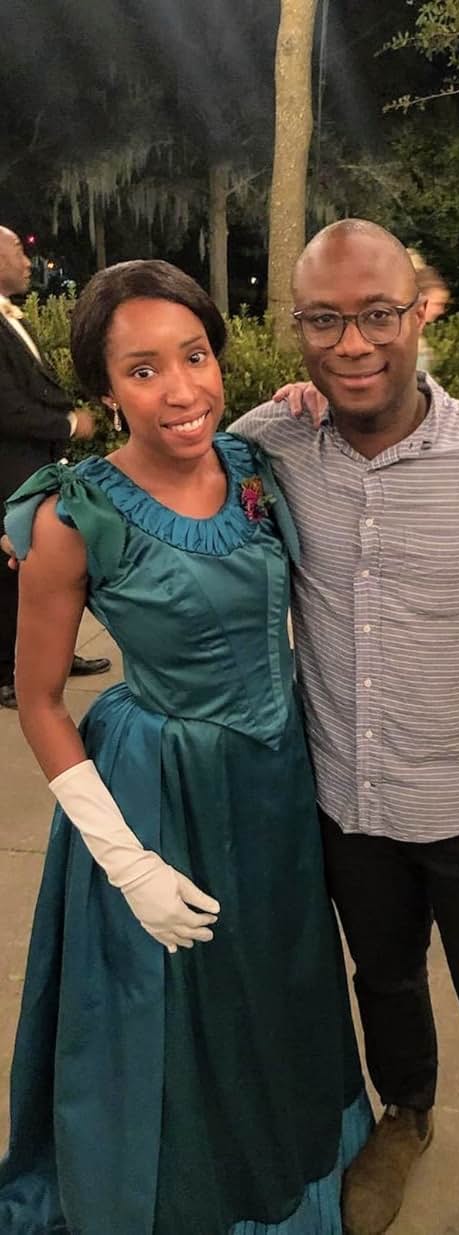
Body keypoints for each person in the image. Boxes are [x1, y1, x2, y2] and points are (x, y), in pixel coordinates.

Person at [0, 259, 371, 1234]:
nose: (180, 390)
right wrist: (126, 865)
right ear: (104, 388)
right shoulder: (67, 513)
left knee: (276, 986)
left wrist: (299, 402)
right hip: (157, 794)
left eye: (195, 356)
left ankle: (283, 1171)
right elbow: (39, 700)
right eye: (142, 369)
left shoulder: (256, 466)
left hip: (276, 780)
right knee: (175, 1018)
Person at [230, 219, 459, 1235]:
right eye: (325, 320)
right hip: (347, 792)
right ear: (297, 327)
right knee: (380, 976)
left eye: (378, 314)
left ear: (418, 311)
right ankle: (406, 1113)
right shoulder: (271, 441)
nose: (353, 344)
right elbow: (175, 481)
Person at [0, 225, 110, 708]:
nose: (27, 262)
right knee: (13, 572)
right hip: (9, 472)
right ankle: (9, 669)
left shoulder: (8, 318)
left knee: (52, 564)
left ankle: (56, 654)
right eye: (17, 253)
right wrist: (69, 424)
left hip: (35, 466)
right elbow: (6, 409)